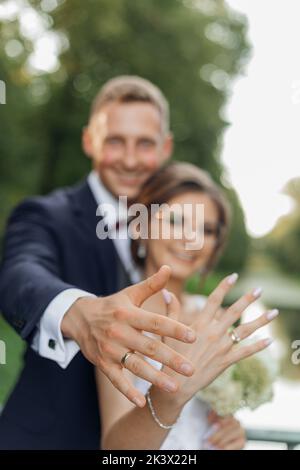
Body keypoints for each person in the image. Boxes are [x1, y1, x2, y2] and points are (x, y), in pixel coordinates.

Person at [0, 76, 198, 449]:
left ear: (166, 147)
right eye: (114, 141)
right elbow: (18, 276)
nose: (128, 159)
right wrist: (79, 312)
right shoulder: (45, 215)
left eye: (144, 144)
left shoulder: (169, 226)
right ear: (89, 140)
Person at [96, 162, 279, 450]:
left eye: (206, 230)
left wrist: (231, 431)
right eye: (176, 221)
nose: (191, 239)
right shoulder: (119, 318)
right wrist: (169, 392)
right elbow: (115, 452)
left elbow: (211, 417)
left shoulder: (216, 317)